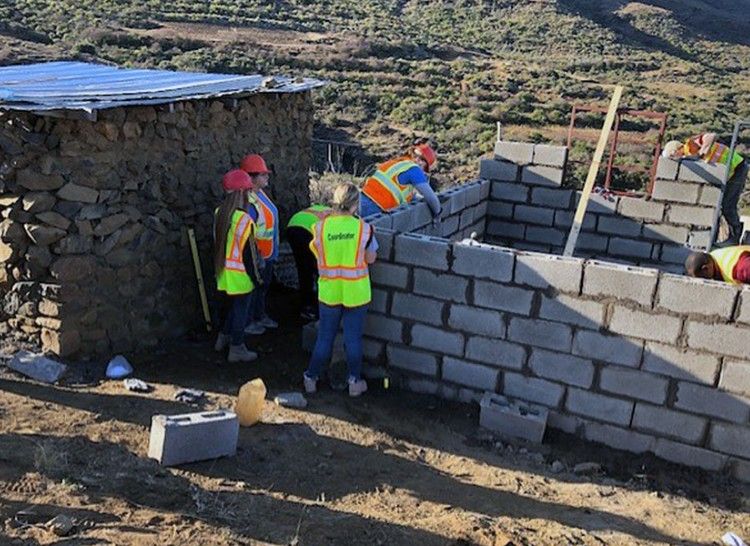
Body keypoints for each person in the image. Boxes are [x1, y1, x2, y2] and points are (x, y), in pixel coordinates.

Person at [304, 183, 378, 397]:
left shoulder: (321, 227)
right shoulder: (363, 228)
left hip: (329, 291)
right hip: (356, 292)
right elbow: (371, 258)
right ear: (356, 204)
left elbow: (317, 253)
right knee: (352, 340)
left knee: (325, 338)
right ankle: (354, 382)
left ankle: (310, 378)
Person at [663, 134, 747, 245]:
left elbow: (711, 136)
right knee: (720, 206)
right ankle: (722, 238)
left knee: (727, 205)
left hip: (737, 167)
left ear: (676, 150)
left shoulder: (691, 145)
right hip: (730, 173)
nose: (673, 158)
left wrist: (702, 153)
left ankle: (736, 236)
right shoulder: (688, 158)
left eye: (672, 155)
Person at [213, 169, 261, 362]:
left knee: (230, 307)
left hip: (223, 271)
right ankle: (237, 347)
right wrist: (256, 277)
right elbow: (249, 254)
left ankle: (222, 338)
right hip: (241, 274)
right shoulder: (244, 220)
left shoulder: (219, 213)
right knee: (241, 311)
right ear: (242, 192)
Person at [240, 154, 280, 335]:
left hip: (267, 252)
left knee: (263, 287)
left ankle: (259, 315)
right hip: (256, 255)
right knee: (253, 289)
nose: (267, 177)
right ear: (252, 177)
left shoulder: (260, 194)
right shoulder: (248, 201)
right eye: (263, 175)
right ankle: (248, 322)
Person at [360, 142, 442, 219]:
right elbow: (431, 197)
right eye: (416, 156)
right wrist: (438, 214)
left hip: (359, 199)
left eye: (421, 159)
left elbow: (403, 193)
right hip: (373, 207)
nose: (417, 160)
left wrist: (420, 198)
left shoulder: (400, 163)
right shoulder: (414, 169)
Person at [286, 204, 333, 320]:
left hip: (292, 225)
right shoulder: (336, 218)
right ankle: (311, 306)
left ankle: (307, 304)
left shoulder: (322, 208)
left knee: (303, 268)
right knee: (313, 269)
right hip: (306, 231)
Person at [685, 245, 750, 284]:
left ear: (705, 268)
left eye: (702, 277)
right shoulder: (715, 256)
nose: (704, 281)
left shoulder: (738, 269)